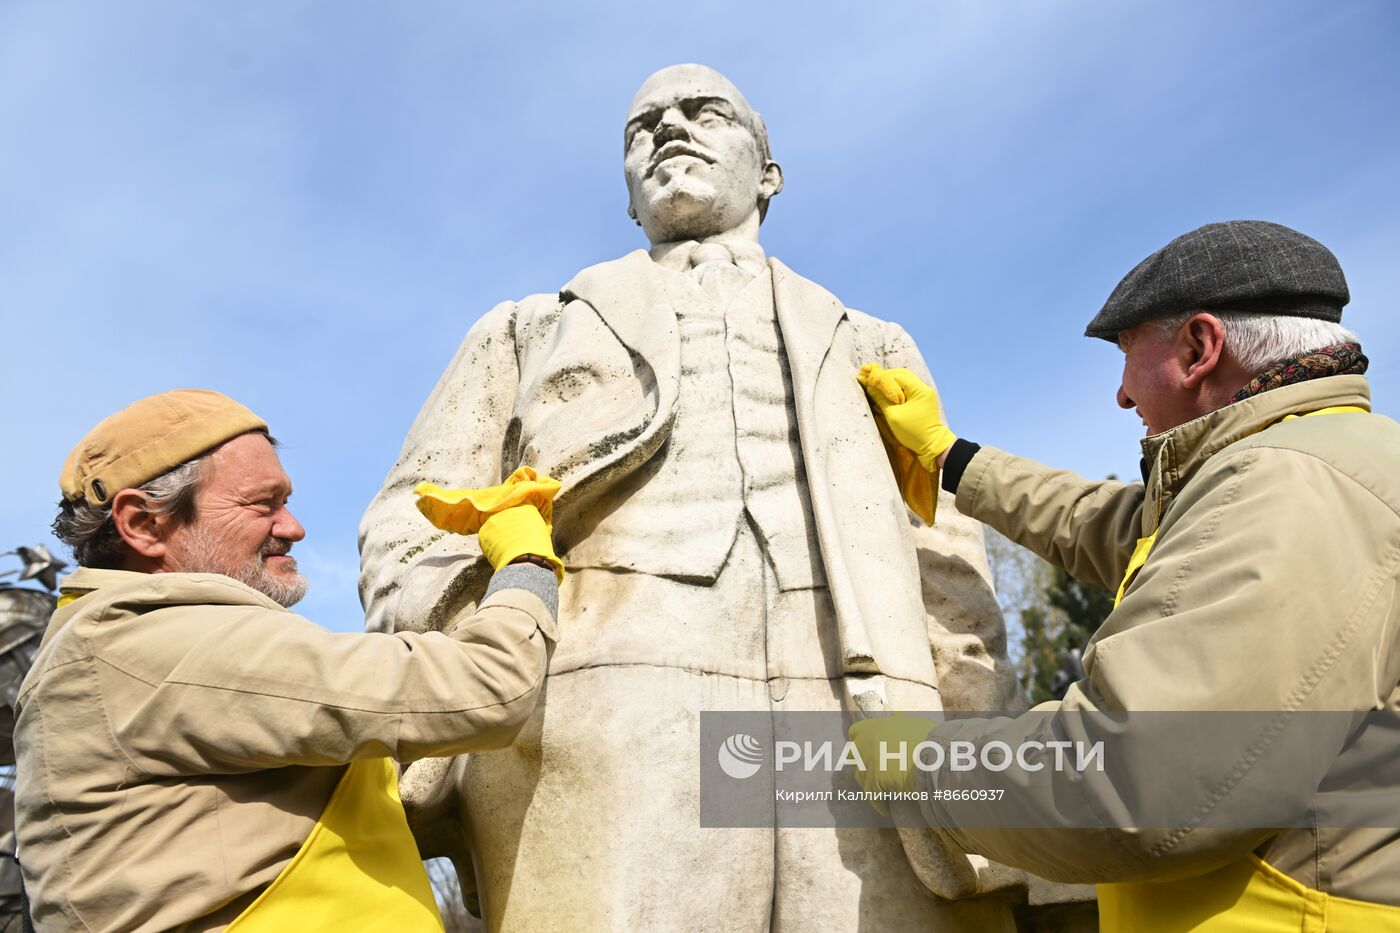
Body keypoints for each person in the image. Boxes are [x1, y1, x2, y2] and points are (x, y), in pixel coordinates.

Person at [359, 64, 1090, 931]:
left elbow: (945, 563)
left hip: (857, 704)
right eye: (643, 127)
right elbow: (410, 521)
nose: (669, 129)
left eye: (705, 112)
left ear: (769, 174)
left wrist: (972, 732)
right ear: (628, 197)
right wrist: (478, 666)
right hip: (604, 703)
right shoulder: (528, 329)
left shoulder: (873, 341)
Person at [851, 220, 1400, 930]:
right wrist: (949, 457)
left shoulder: (1288, 488)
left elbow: (1131, 782)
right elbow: (1103, 523)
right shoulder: (1318, 462)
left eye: (1127, 352)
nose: (1120, 394)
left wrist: (919, 765)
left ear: (1199, 348)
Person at [16, 389, 563, 931]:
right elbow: (488, 686)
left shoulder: (125, 650)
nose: (293, 527)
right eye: (263, 503)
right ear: (144, 524)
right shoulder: (146, 643)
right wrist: (526, 560)